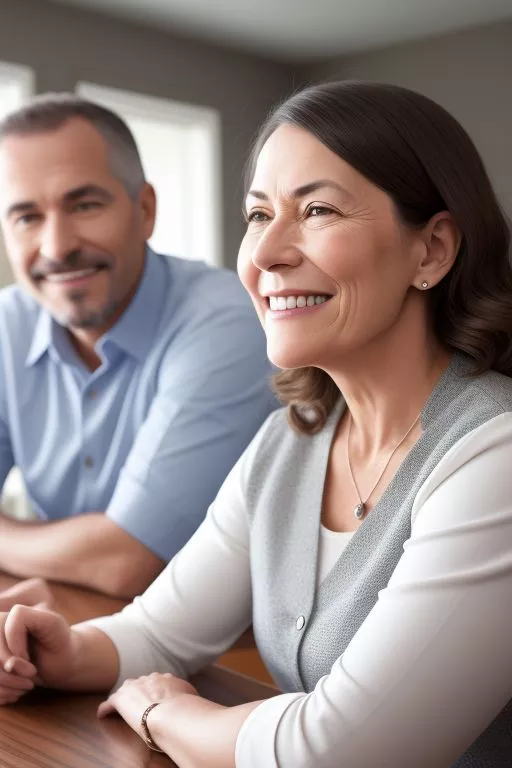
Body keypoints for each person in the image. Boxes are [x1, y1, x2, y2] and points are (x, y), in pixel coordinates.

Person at [1, 80, 512, 767]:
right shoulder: (292, 440)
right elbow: (163, 628)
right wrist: (66, 650)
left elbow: (341, 752)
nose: (265, 253)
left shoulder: (494, 456)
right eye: (257, 214)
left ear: (432, 251)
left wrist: (163, 710)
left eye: (318, 210)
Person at [0, 94, 275, 600]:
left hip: (230, 651)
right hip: (67, 618)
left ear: (144, 210)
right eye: (26, 217)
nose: (57, 247)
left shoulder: (226, 322)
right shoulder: (6, 325)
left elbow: (129, 561)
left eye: (84, 205)